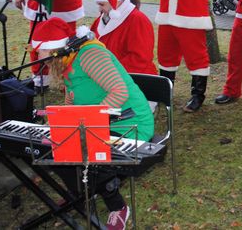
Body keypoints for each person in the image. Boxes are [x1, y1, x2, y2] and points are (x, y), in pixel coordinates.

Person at [32, 17, 154, 229]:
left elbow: (119, 91)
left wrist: (89, 121)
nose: (36, 56)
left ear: (54, 48)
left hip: (130, 122)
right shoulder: (67, 61)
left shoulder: (89, 54)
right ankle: (81, 190)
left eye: (39, 50)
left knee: (90, 149)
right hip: (101, 123)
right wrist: (61, 121)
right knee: (53, 146)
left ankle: (118, 207)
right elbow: (72, 99)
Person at [91, 0, 157, 75]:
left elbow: (140, 59)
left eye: (102, 4)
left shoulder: (138, 20)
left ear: (114, 0)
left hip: (133, 78)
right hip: (107, 76)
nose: (100, 9)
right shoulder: (101, 19)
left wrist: (107, 71)